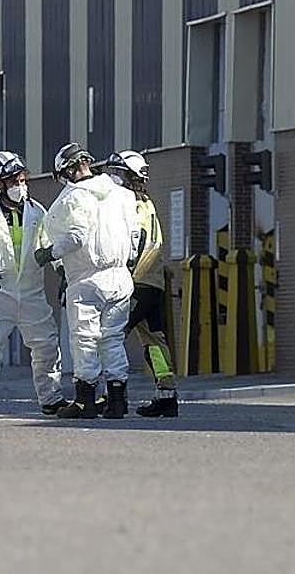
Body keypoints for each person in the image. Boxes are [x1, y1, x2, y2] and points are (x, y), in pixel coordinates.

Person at [35, 143, 139, 419]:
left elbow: (76, 237)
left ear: (65, 172)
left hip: (87, 278)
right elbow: (135, 236)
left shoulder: (73, 198)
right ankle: (117, 400)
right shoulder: (122, 194)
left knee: (85, 341)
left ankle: (85, 401)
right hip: (120, 277)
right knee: (113, 340)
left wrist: (48, 254)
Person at [0, 151, 66, 419]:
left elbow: (48, 245)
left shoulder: (38, 212)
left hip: (31, 292)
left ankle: (51, 398)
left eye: (22, 180)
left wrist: (62, 272)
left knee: (46, 346)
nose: (21, 186)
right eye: (14, 181)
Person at [102, 150, 179, 417]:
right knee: (154, 341)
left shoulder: (130, 206)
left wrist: (122, 276)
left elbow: (135, 243)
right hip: (154, 283)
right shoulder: (148, 203)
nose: (113, 179)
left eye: (118, 174)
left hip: (135, 282)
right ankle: (167, 395)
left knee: (111, 336)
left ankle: (114, 395)